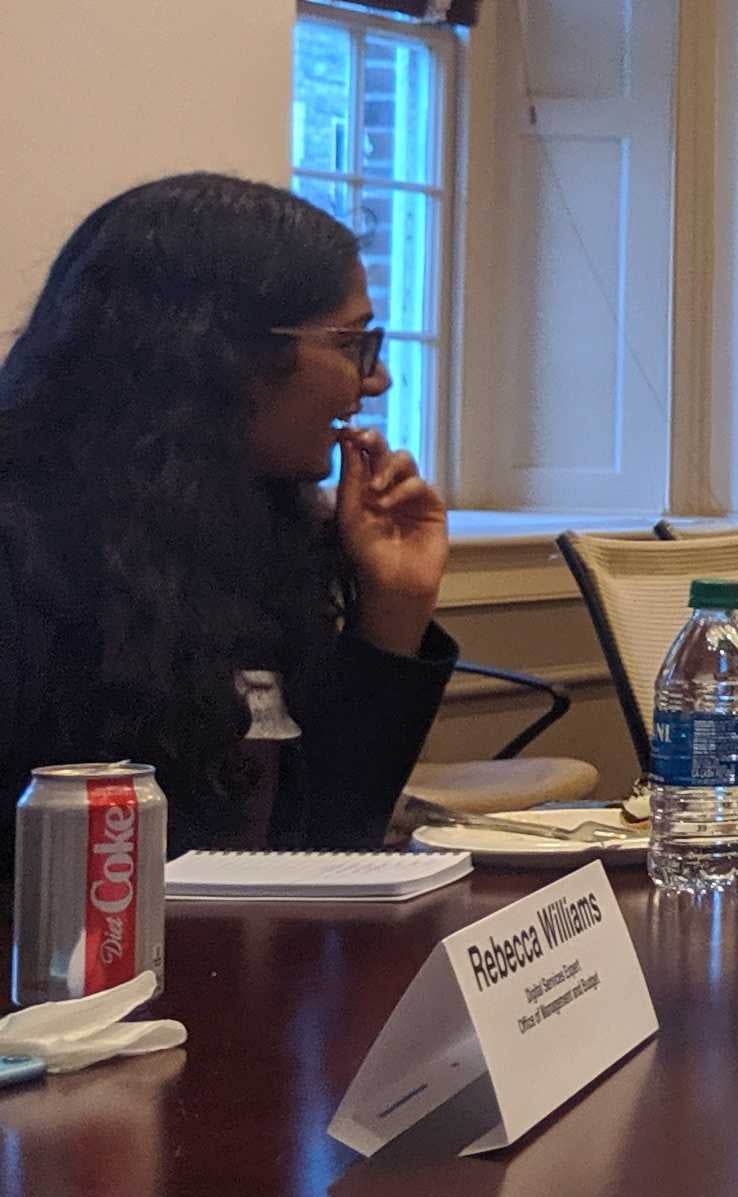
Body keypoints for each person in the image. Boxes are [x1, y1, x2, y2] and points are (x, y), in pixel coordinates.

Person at [0, 174, 453, 846]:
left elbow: (321, 849)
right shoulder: (21, 548)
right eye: (351, 342)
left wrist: (392, 614)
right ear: (225, 355)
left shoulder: (249, 535)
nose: (376, 377)